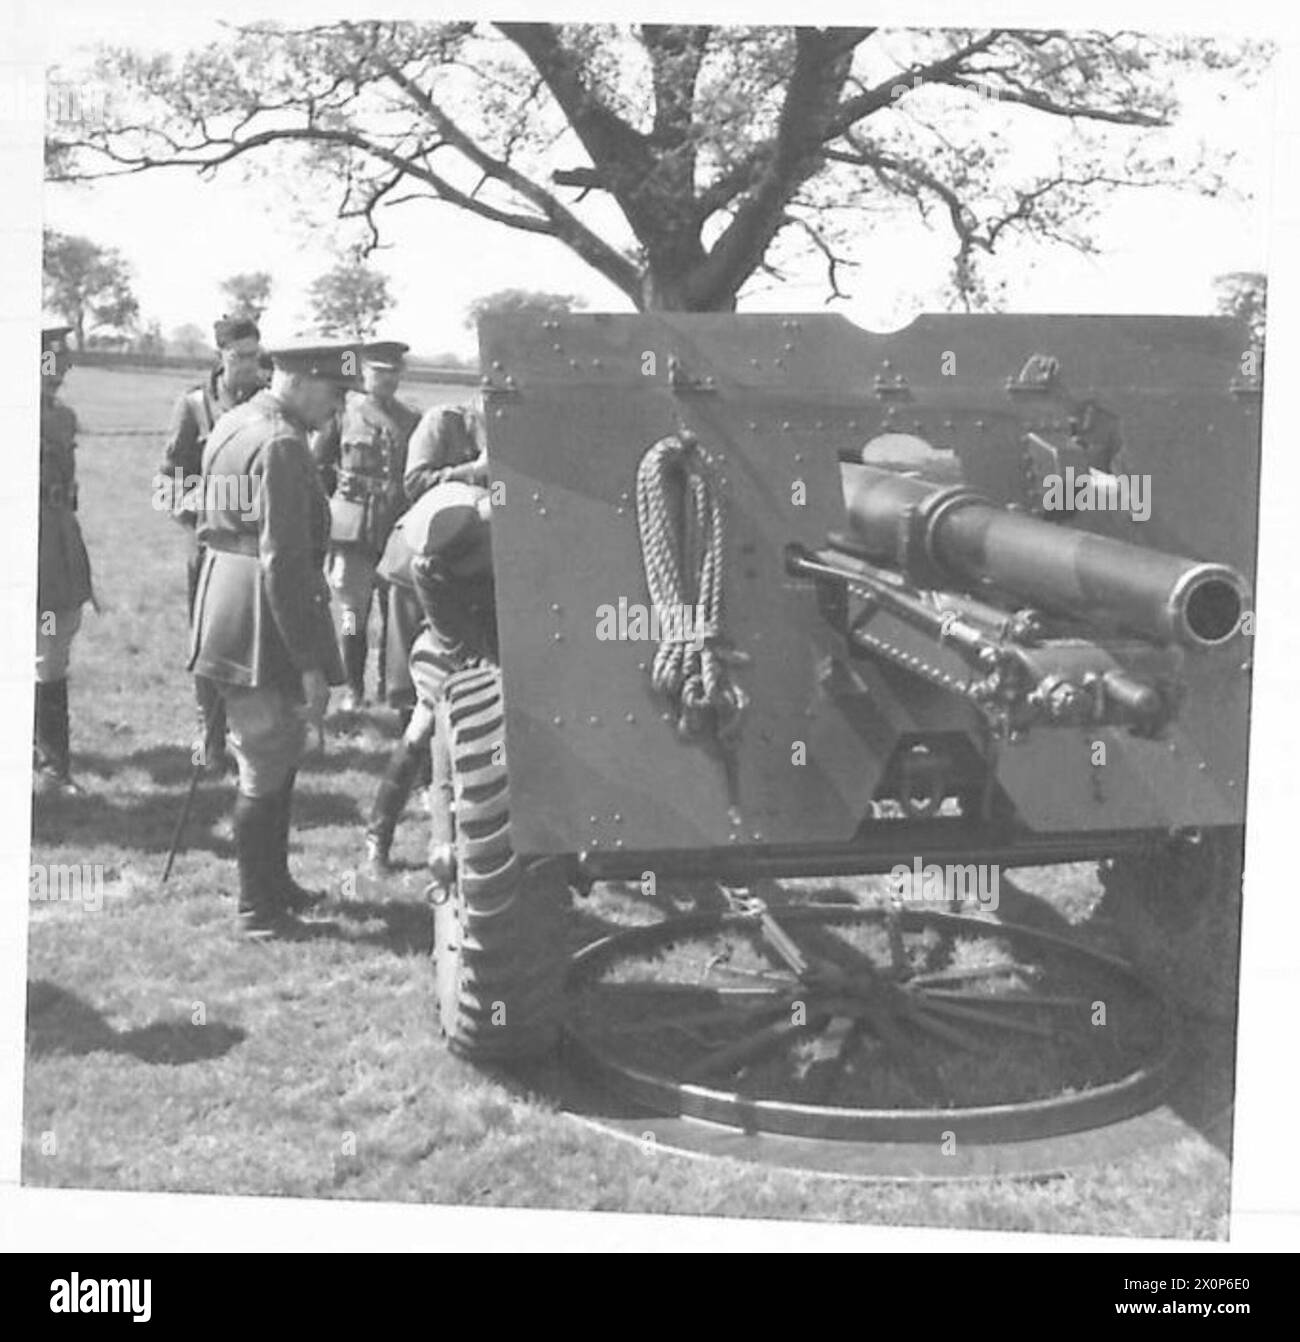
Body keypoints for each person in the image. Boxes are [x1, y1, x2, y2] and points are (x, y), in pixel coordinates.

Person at [188, 343, 351, 938]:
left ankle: (275, 886)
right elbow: (283, 560)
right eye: (333, 394)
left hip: (227, 595)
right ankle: (258, 910)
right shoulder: (282, 442)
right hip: (261, 607)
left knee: (275, 749)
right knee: (263, 754)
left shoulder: (236, 418)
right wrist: (311, 663)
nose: (336, 410)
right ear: (304, 382)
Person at [362, 482, 496, 874]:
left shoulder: (499, 530)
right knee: (425, 726)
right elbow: (456, 642)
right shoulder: (427, 569)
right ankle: (378, 838)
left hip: (490, 622)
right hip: (434, 633)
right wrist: (471, 684)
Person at [158, 315, 264, 772]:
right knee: (208, 643)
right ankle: (209, 733)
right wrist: (200, 513)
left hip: (261, 545)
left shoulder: (269, 402)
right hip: (208, 547)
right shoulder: (195, 406)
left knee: (258, 643)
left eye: (254, 357)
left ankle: (252, 735)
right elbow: (169, 480)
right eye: (238, 357)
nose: (248, 367)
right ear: (219, 356)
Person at [312, 340, 420, 712]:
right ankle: (353, 689)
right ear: (365, 373)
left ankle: (391, 689)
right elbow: (317, 469)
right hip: (352, 532)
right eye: (378, 372)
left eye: (393, 373)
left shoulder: (411, 420)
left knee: (396, 616)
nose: (386, 380)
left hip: (395, 531)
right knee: (350, 614)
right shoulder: (343, 415)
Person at [35, 326, 95, 795]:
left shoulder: (63, 418)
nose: (63, 369)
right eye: (54, 361)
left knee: (52, 648)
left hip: (55, 548)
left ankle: (53, 765)